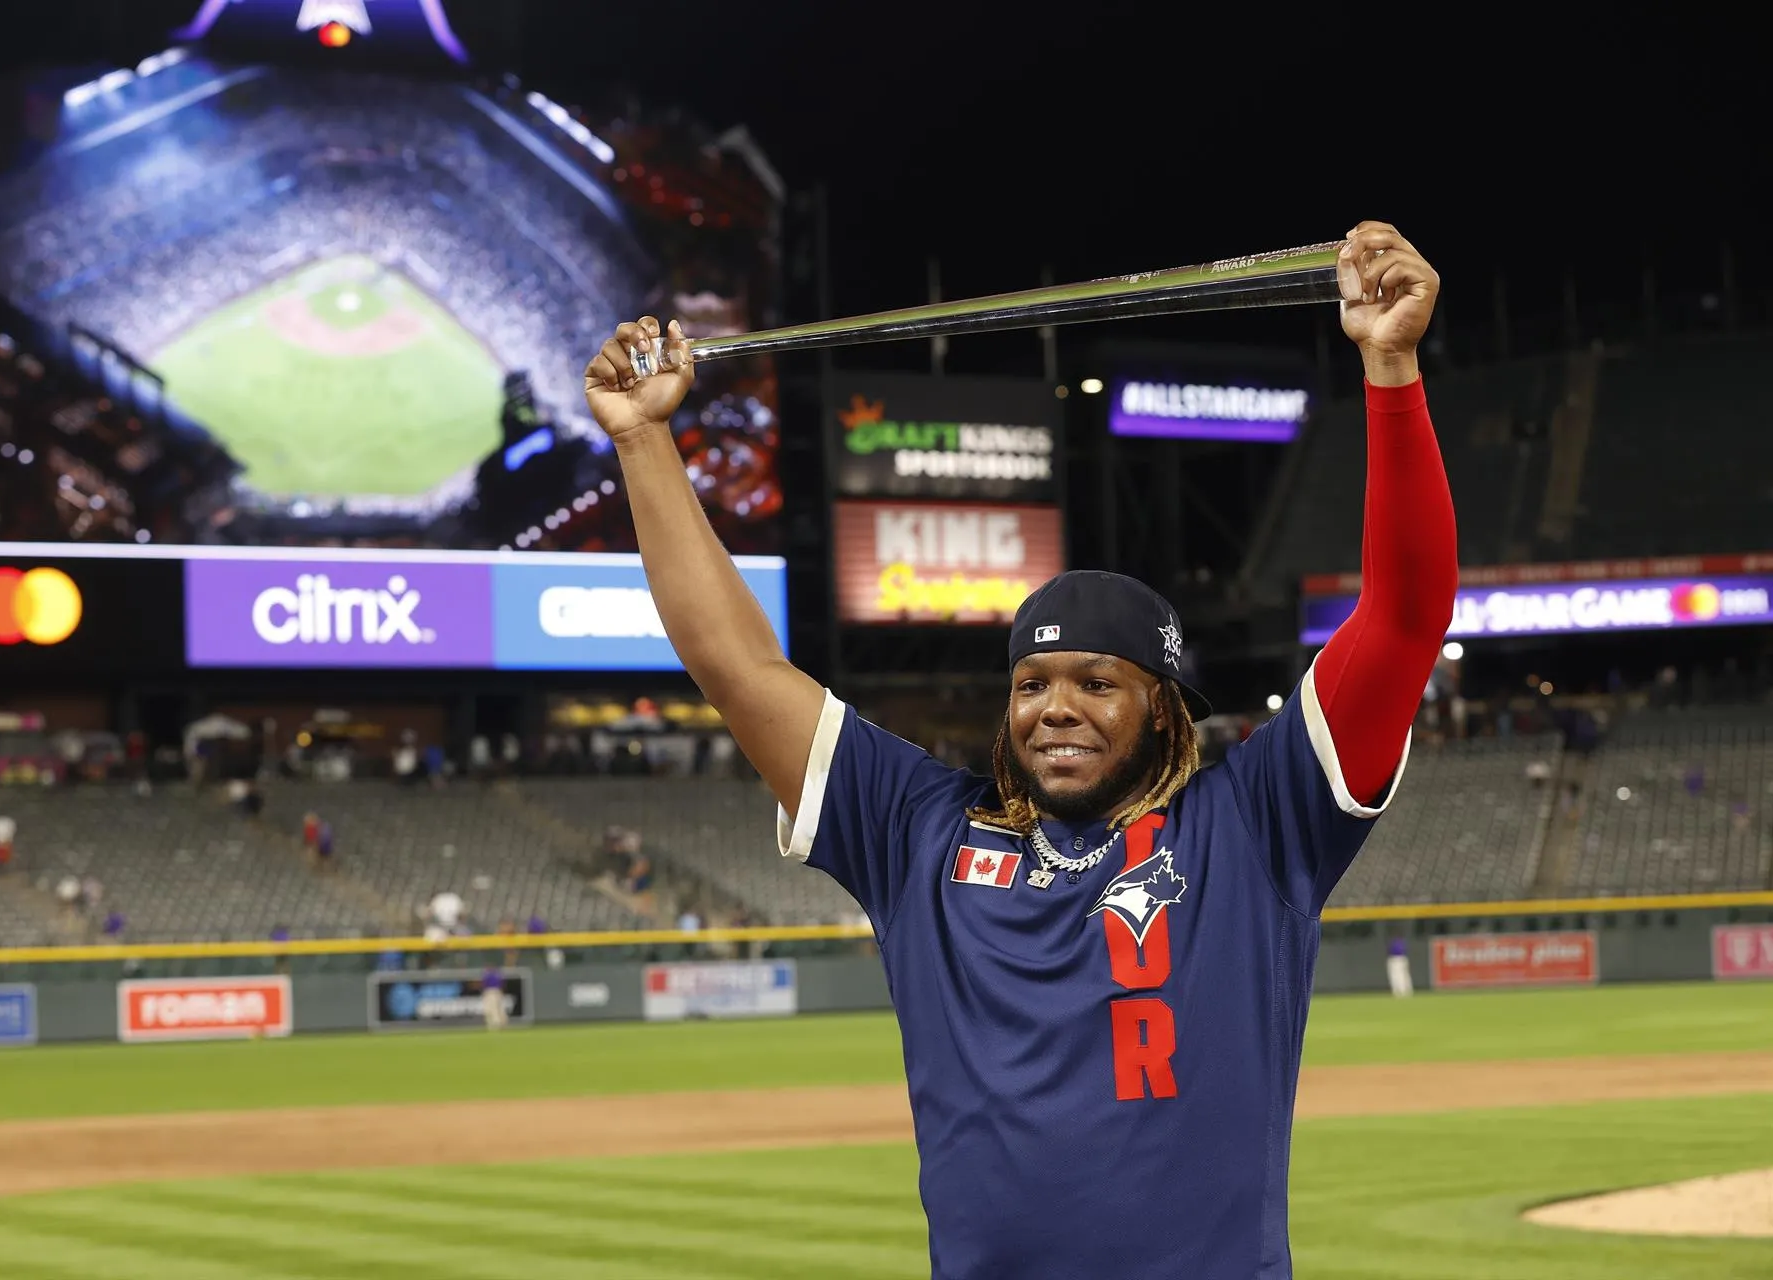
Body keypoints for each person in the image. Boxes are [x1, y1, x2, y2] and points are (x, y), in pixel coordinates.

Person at [584, 221, 1457, 1280]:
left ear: (1167, 709)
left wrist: (1391, 370)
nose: (1055, 708)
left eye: (1098, 683)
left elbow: (1405, 618)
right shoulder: (915, 827)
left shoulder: (1261, 824)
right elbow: (736, 664)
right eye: (1032, 684)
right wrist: (641, 439)